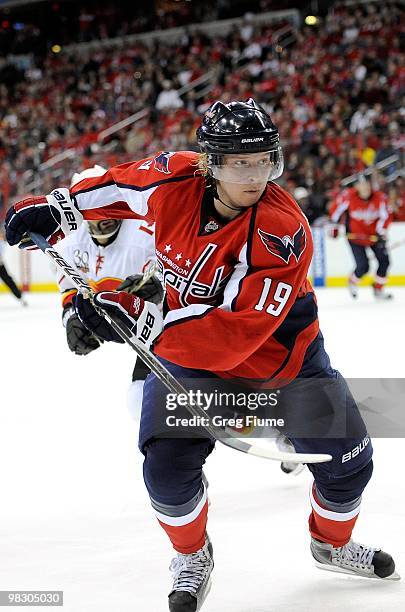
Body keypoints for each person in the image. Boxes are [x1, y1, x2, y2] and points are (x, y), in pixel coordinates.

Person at [5, 99, 399, 612]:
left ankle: (332, 544)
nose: (255, 175)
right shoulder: (172, 178)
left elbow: (237, 335)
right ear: (211, 164)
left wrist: (134, 321)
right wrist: (56, 208)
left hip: (284, 364)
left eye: (264, 161)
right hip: (187, 362)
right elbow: (113, 188)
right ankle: (192, 555)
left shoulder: (284, 231)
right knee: (166, 473)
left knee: (350, 464)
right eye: (240, 163)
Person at [59, 165, 163, 415]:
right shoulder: (71, 243)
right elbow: (70, 287)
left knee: (142, 402)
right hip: (142, 332)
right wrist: (72, 318)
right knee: (140, 404)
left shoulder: (146, 233)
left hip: (167, 330)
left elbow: (175, 277)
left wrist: (158, 289)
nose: (103, 217)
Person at [329, 174, 393, 300]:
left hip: (374, 237)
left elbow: (386, 216)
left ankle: (378, 289)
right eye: (361, 185)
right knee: (363, 266)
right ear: (357, 186)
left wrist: (381, 232)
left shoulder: (380, 198)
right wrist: (334, 227)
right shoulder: (348, 196)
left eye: (367, 185)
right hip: (355, 238)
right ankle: (353, 281)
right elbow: (335, 211)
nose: (365, 188)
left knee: (384, 261)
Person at [0, 225, 27, 306]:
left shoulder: (1, 243)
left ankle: (20, 296)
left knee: (8, 280)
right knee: (8, 280)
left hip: (0, 265)